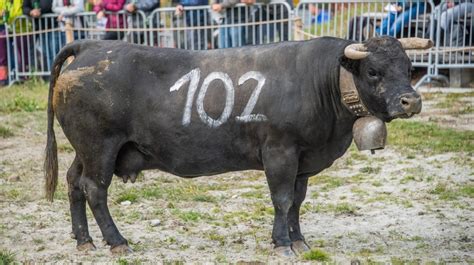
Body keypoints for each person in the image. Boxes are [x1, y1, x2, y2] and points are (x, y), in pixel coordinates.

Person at [23, 0, 61, 72]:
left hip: (52, 27)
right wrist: (31, 12)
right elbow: (24, 8)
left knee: (54, 53)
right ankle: (48, 75)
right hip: (38, 28)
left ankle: (55, 74)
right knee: (45, 53)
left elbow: (50, 4)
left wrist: (39, 11)